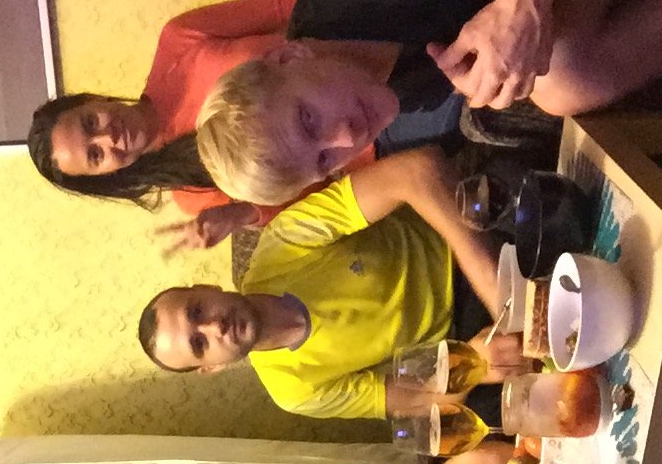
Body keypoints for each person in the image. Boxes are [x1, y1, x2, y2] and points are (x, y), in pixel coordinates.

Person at [138, 147, 528, 422]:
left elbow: (416, 170)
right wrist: (475, 365)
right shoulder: (292, 390)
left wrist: (494, 285)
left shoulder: (282, 241)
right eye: (200, 343)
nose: (214, 326)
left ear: (207, 288)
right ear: (211, 368)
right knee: (514, 412)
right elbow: (420, 402)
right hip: (467, 334)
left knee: (521, 200)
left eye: (198, 311)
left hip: (462, 237)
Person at [198, 0, 662, 205]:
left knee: (565, 76)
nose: (346, 136)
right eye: (324, 161)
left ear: (288, 56)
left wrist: (523, 4)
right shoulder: (386, 93)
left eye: (308, 119)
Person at [27, 0, 328, 253]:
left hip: (344, 44)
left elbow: (286, 4)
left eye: (91, 122)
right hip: (353, 146)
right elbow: (317, 197)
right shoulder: (193, 194)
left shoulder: (177, 42)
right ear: (106, 174)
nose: (108, 137)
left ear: (93, 100)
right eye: (95, 155)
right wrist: (241, 214)